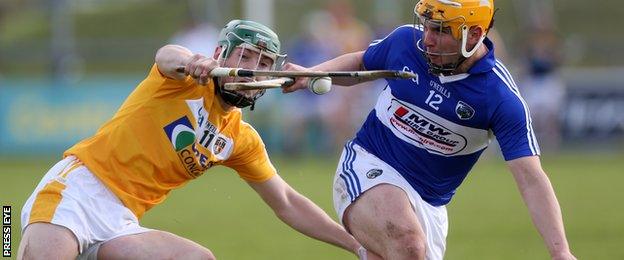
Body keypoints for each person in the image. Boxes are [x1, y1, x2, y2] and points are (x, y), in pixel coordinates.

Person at [18, 19, 374, 260]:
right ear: (221, 55)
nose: (255, 68)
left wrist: (358, 247)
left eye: (264, 62)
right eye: (246, 56)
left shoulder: (240, 138)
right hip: (76, 193)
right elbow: (166, 55)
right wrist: (192, 61)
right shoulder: (182, 80)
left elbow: (287, 202)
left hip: (120, 222)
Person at [282, 1, 576, 259]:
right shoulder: (406, 44)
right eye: (427, 27)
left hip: (429, 207)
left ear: (473, 35)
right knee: (407, 242)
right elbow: (361, 63)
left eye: (441, 31)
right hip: (368, 163)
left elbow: (531, 179)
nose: (428, 39)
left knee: (410, 248)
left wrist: (560, 251)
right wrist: (312, 74)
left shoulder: (500, 99)